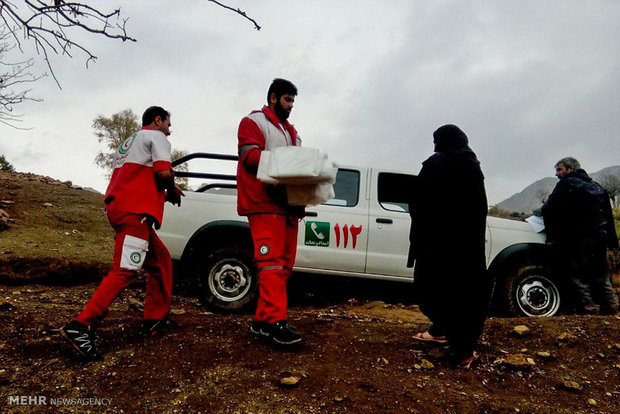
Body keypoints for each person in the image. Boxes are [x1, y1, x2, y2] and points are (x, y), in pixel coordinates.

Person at [62, 106, 185, 361]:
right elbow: (163, 173)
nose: (169, 131)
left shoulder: (128, 142)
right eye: (168, 125)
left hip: (123, 208)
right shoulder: (156, 136)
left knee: (160, 261)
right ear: (157, 120)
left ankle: (154, 319)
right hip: (134, 212)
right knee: (126, 269)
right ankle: (81, 325)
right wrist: (172, 190)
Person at [407, 124, 492, 369]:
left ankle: (461, 351)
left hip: (437, 245)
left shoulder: (436, 164)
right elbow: (479, 208)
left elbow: (419, 203)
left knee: (434, 289)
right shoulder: (474, 167)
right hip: (467, 247)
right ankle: (448, 336)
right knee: (465, 294)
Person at [237, 78, 304, 346]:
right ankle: (277, 321)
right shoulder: (253, 122)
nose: (291, 106)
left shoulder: (292, 132)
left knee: (284, 265)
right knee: (272, 264)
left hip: (287, 206)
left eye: (293, 102)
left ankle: (262, 321)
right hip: (264, 203)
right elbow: (249, 158)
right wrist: (286, 166)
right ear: (274, 98)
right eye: (288, 100)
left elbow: (300, 167)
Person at [541, 157, 619, 315]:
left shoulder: (566, 184)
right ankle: (612, 309)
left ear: (570, 169)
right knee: (602, 275)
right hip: (600, 237)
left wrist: (550, 230)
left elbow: (550, 208)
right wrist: (612, 241)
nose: (557, 174)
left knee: (577, 274)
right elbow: (608, 215)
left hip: (580, 238)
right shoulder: (596, 186)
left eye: (559, 169)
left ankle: (587, 311)